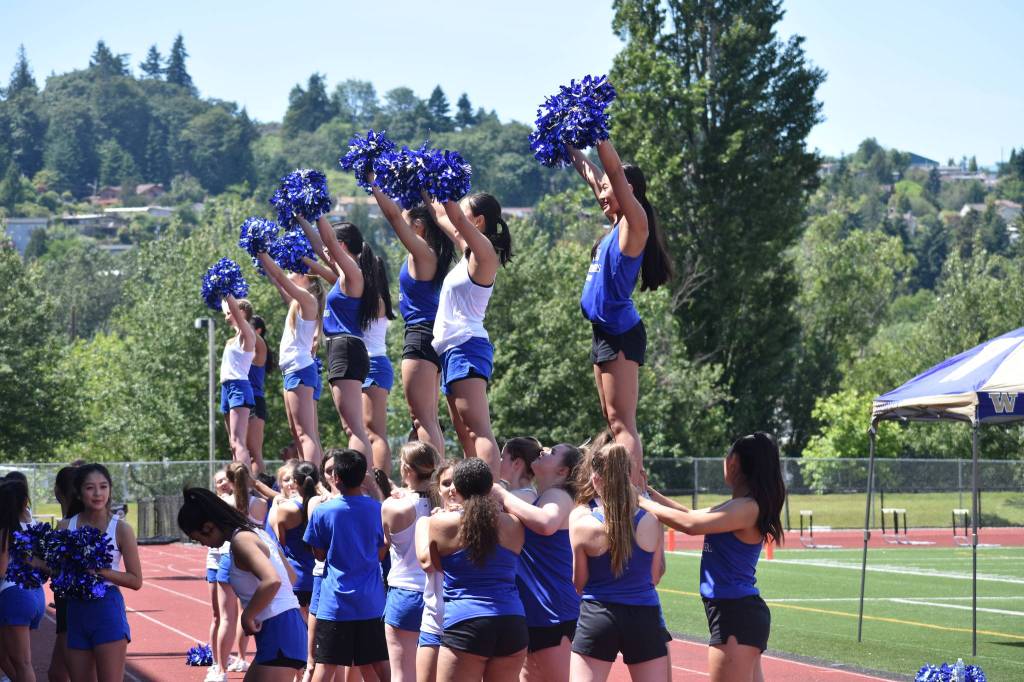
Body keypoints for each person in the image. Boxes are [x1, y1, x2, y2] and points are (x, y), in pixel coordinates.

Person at [638, 433, 785, 682]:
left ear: (734, 463)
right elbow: (689, 513)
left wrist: (637, 499)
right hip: (737, 614)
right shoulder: (738, 505)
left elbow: (690, 524)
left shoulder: (746, 508)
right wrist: (647, 492)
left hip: (736, 614)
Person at [567, 140, 672, 481]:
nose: (600, 193)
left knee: (622, 423)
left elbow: (611, 171)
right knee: (612, 421)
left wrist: (598, 134)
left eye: (609, 188)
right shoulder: (614, 227)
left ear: (627, 189)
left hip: (620, 332)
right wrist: (568, 144)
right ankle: (624, 486)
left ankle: (635, 490)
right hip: (603, 331)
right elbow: (594, 175)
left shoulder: (633, 223)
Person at [178, 488, 308, 682]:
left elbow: (273, 580)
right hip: (285, 627)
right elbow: (291, 576)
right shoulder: (256, 532)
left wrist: (248, 615)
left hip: (280, 629)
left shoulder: (241, 541)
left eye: (199, 539)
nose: (203, 544)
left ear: (209, 526)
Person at [428, 193, 512, 477]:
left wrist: (447, 183)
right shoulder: (467, 251)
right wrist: (426, 185)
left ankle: (490, 494)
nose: (457, 221)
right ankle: (471, 490)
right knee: (464, 433)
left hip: (467, 345)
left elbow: (454, 218)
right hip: (450, 350)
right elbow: (442, 216)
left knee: (478, 430)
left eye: (464, 214)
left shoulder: (485, 255)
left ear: (477, 221)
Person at [569, 444, 668, 682]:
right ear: (628, 474)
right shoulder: (652, 520)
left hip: (598, 614)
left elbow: (578, 582)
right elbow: (657, 573)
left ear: (595, 478)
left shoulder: (582, 522)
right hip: (644, 614)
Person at [370, 178, 453, 457]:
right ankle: (436, 476)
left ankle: (433, 481)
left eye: (409, 221)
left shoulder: (423, 253)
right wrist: (423, 189)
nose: (402, 225)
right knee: (427, 417)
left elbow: (393, 216)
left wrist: (373, 181)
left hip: (420, 334)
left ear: (418, 226)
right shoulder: (425, 254)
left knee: (422, 418)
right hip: (428, 333)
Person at [428, 458, 526, 681]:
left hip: (465, 623)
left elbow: (435, 566)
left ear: (457, 488)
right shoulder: (514, 524)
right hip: (512, 621)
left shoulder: (440, 523)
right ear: (489, 487)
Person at [493, 444, 582, 682]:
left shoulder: (559, 495)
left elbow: (546, 523)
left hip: (554, 610)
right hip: (536, 609)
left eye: (553, 452)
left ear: (562, 472)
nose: (544, 449)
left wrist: (502, 495)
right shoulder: (539, 498)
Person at [304, 450, 390, 682]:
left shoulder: (322, 511)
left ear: (336, 478)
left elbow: (319, 555)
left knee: (326, 665)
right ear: (363, 478)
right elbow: (383, 550)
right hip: (371, 602)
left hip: (335, 603)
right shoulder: (378, 509)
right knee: (379, 664)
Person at [299, 216, 380, 460]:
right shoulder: (345, 274)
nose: (326, 250)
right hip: (344, 348)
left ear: (342, 245)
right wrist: (301, 216)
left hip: (345, 348)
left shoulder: (352, 273)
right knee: (352, 427)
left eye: (332, 245)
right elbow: (318, 246)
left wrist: (317, 211)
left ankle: (363, 484)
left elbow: (328, 243)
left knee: (353, 428)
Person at [61, 464, 143, 682]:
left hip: (107, 610)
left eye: (103, 486)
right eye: (90, 488)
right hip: (76, 610)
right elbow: (57, 570)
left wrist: (99, 570)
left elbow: (135, 580)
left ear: (110, 489)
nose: (98, 493)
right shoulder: (65, 526)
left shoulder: (121, 529)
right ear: (79, 492)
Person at [257, 251, 324, 466]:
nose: (289, 272)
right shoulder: (298, 302)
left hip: (300, 368)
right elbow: (278, 281)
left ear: (305, 275)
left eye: (293, 270)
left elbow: (281, 277)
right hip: (292, 370)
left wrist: (264, 253)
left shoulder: (308, 299)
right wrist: (263, 263)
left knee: (306, 433)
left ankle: (314, 480)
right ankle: (308, 475)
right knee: (297, 433)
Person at [381, 442, 440, 682]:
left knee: (402, 674)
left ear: (407, 469)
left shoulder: (394, 506)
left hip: (404, 593)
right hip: (439, 593)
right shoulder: (447, 504)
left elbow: (385, 542)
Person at [413, 459, 456, 682]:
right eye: (446, 483)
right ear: (437, 489)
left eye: (457, 482)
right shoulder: (429, 522)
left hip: (465, 620)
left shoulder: (481, 521)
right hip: (434, 619)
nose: (452, 489)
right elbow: (427, 562)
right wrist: (437, 524)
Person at [0, 476, 44, 682]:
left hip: (14, 594)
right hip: (36, 594)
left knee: (23, 663)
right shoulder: (31, 523)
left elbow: (1, 570)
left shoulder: (5, 529)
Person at [362, 254, 398, 475]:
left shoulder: (375, 300)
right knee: (364, 430)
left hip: (374, 365)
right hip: (365, 366)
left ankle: (381, 482)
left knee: (374, 431)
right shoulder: (371, 298)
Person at [268, 462, 319, 616]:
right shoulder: (323, 504)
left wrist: (276, 504)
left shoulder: (286, 509)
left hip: (296, 576)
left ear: (295, 482)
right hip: (319, 575)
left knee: (301, 631)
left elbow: (280, 540)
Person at [48, 465, 80, 682]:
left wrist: (30, 560)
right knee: (58, 673)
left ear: (57, 491)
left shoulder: (66, 526)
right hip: (68, 603)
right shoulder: (81, 522)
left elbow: (60, 568)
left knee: (67, 673)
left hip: (72, 605)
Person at [219, 295, 257, 468]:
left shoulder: (247, 334)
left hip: (238, 386)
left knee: (238, 441)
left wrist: (228, 292)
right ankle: (238, 482)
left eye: (229, 313)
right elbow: (225, 306)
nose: (225, 316)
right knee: (232, 443)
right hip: (227, 388)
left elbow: (235, 311)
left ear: (240, 312)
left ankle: (247, 485)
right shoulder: (233, 338)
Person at [244, 311, 275, 475]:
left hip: (255, 400)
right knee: (242, 449)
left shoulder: (259, 352)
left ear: (258, 332)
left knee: (254, 452)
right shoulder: (245, 350)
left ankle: (259, 489)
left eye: (248, 325)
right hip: (242, 400)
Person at [498, 437, 543, 502]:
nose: (499, 461)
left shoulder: (522, 496)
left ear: (516, 463)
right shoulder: (524, 493)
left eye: (502, 457)